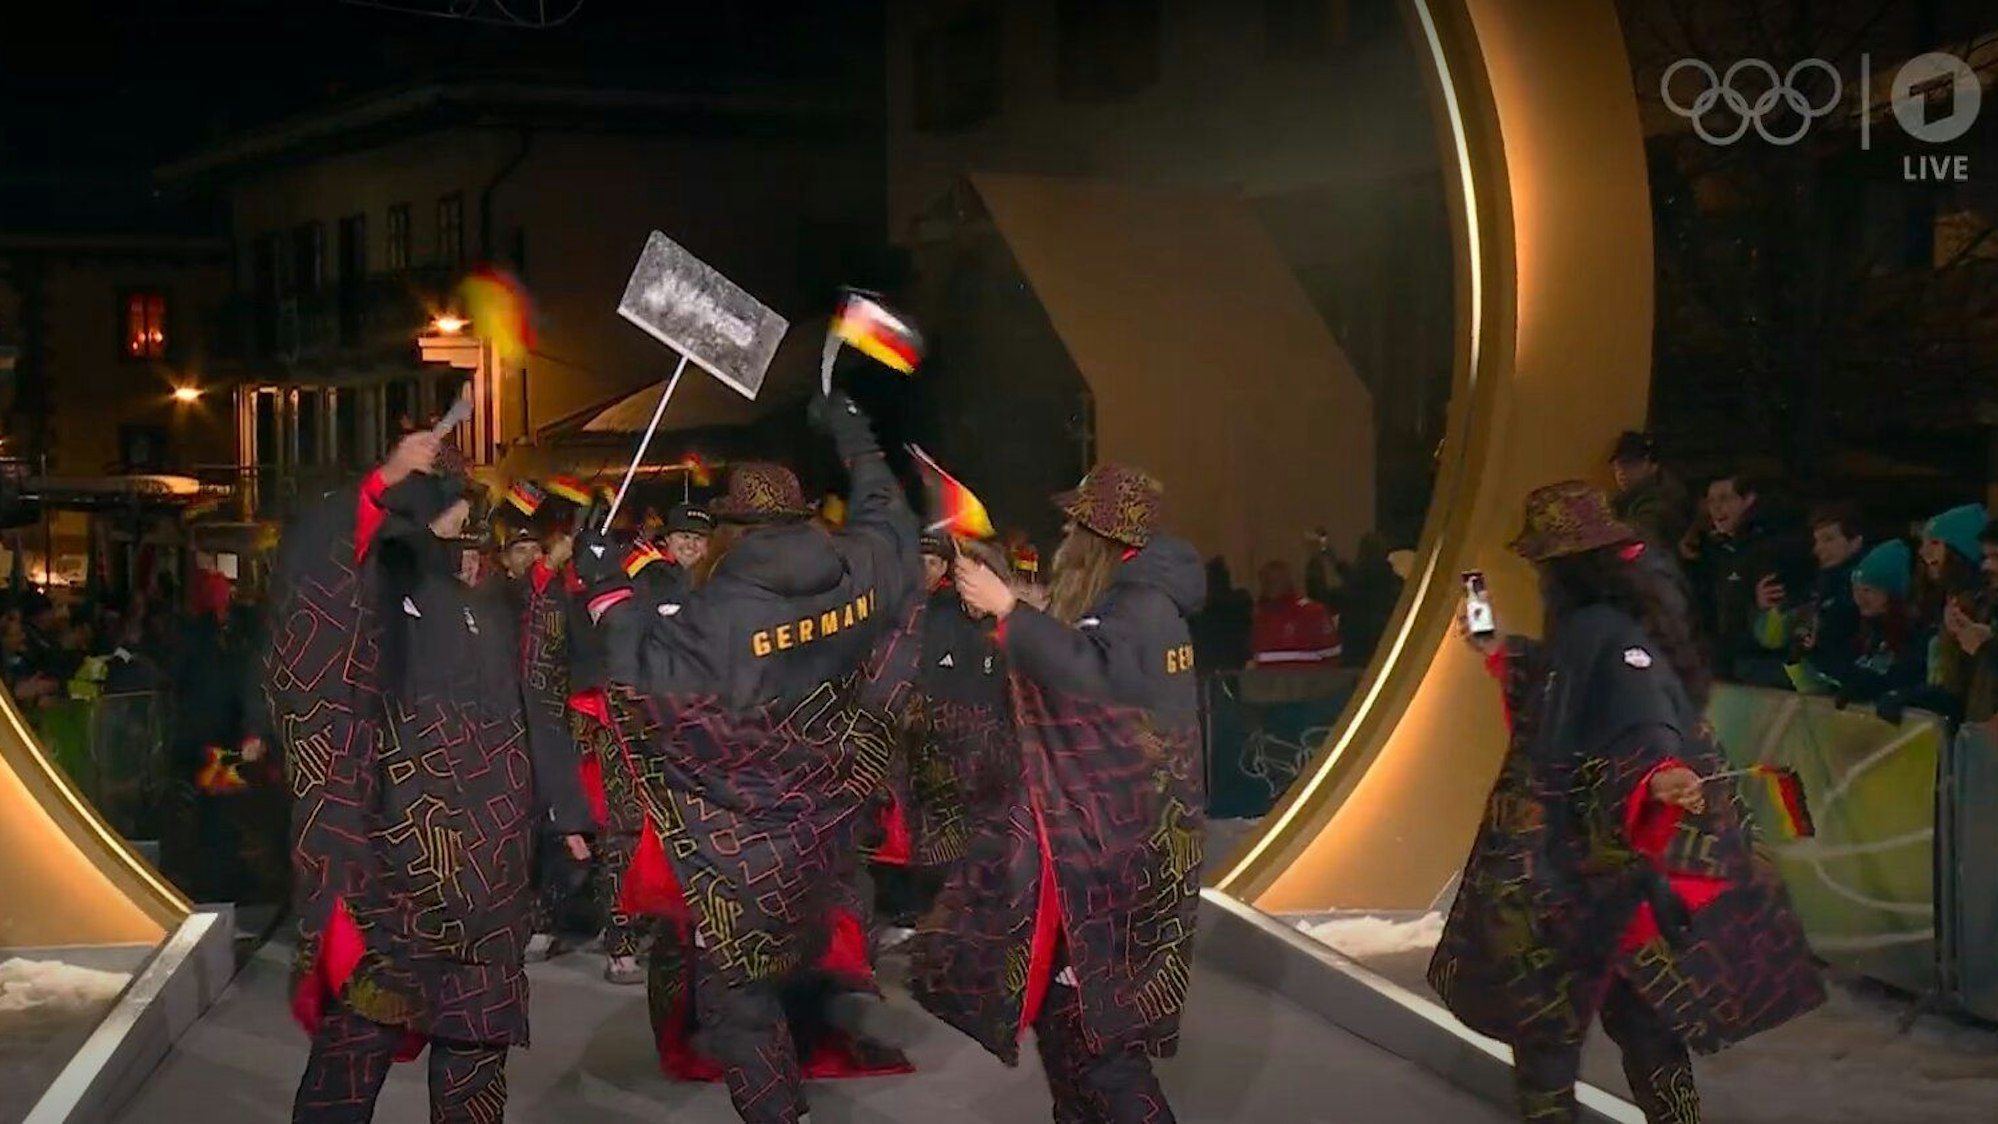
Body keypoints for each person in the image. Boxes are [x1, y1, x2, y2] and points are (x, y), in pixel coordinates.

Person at [1429, 481, 1824, 1123]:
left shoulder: (1608, 635)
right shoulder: (1589, 633)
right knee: (1614, 1029)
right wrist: (1500, 650)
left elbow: (1643, 714)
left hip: (1588, 871)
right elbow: (1567, 701)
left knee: (1569, 1037)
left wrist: (1661, 773)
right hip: (1580, 869)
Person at [573, 391, 919, 1123]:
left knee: (739, 1003)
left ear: (733, 528)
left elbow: (641, 669)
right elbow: (891, 515)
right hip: (831, 828)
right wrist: (854, 432)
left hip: (747, 844)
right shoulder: (860, 568)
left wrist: (603, 579)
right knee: (797, 970)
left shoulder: (717, 612)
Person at [275, 439, 595, 1124]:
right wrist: (386, 480)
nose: (464, 522)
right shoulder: (365, 593)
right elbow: (320, 565)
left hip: (489, 878)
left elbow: (529, 709)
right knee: (352, 1054)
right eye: (454, 501)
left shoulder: (481, 606)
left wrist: (564, 815)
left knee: (476, 1060)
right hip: (389, 874)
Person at [944, 464, 1206, 1124]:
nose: (1063, 533)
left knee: (1103, 1043)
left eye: (1072, 524)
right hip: (1118, 840)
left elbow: (1091, 680)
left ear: (1097, 536)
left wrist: (1009, 611)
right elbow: (1090, 649)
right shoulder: (1138, 601)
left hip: (1111, 857)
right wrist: (1019, 610)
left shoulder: (1139, 607)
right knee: (1069, 1029)